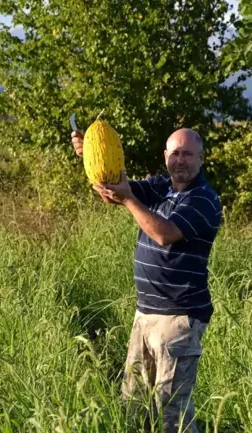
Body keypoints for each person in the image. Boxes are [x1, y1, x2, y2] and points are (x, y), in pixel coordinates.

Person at [71, 127, 222, 433]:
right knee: (134, 404)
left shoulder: (204, 199)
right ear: (166, 157)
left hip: (179, 319)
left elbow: (164, 234)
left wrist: (128, 201)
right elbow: (116, 189)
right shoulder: (161, 186)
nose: (180, 160)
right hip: (145, 315)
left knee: (172, 411)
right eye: (175, 153)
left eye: (188, 153)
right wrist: (91, 154)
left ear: (201, 158)